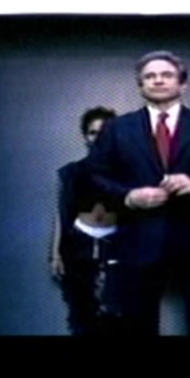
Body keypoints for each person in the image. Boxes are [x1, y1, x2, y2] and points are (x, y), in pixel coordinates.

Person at [86, 50, 190, 335]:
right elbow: (93, 177)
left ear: (183, 84)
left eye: (166, 75)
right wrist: (128, 197)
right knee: (136, 325)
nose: (158, 80)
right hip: (138, 242)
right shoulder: (117, 129)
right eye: (149, 76)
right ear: (141, 86)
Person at [50, 106, 120, 335]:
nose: (98, 137)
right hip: (79, 246)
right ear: (85, 137)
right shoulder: (71, 173)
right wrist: (55, 254)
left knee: (118, 314)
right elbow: (61, 214)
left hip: (117, 247)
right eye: (93, 132)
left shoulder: (129, 173)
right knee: (82, 314)